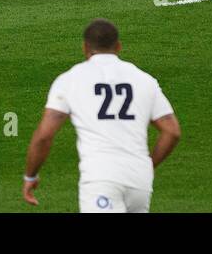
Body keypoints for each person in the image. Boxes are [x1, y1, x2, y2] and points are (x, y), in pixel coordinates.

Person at [23, 19, 181, 212]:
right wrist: (148, 165)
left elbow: (44, 136)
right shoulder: (144, 79)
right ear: (119, 46)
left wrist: (30, 176)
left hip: (101, 178)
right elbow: (172, 132)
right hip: (139, 179)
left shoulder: (70, 79)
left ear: (85, 47)